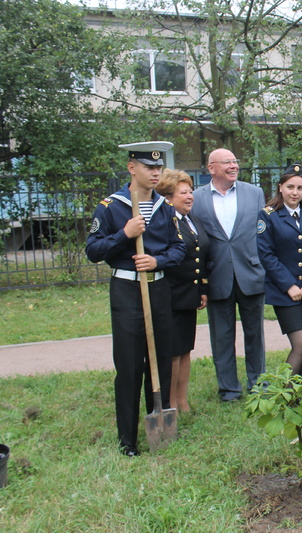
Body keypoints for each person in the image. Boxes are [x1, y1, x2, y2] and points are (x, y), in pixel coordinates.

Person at [86, 141, 185, 456]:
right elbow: (93, 251)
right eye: (149, 167)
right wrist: (124, 234)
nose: (156, 173)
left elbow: (179, 249)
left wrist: (158, 261)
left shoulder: (165, 208)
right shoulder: (111, 207)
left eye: (159, 167)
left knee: (161, 360)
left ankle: (159, 419)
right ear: (132, 168)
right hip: (127, 291)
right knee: (129, 365)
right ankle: (128, 439)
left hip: (157, 289)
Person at [191, 149, 266, 402]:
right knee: (221, 336)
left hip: (250, 273)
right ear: (211, 168)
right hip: (217, 276)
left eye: (235, 161)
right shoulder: (196, 198)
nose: (234, 166)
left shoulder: (254, 193)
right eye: (227, 162)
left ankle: (259, 384)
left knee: (255, 334)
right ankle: (229, 389)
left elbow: (263, 234)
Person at [257, 164, 302, 379]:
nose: (295, 192)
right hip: (285, 294)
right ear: (280, 187)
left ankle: (299, 394)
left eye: (300, 188)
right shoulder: (268, 216)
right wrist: (289, 286)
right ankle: (283, 394)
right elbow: (267, 256)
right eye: (290, 187)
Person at [156, 169, 209, 413]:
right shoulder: (164, 222)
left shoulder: (190, 219)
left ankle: (182, 399)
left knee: (186, 349)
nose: (190, 197)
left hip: (189, 294)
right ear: (168, 197)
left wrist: (202, 288)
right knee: (173, 352)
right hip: (171, 294)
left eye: (190, 191)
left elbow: (201, 255)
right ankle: (169, 402)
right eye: (183, 192)